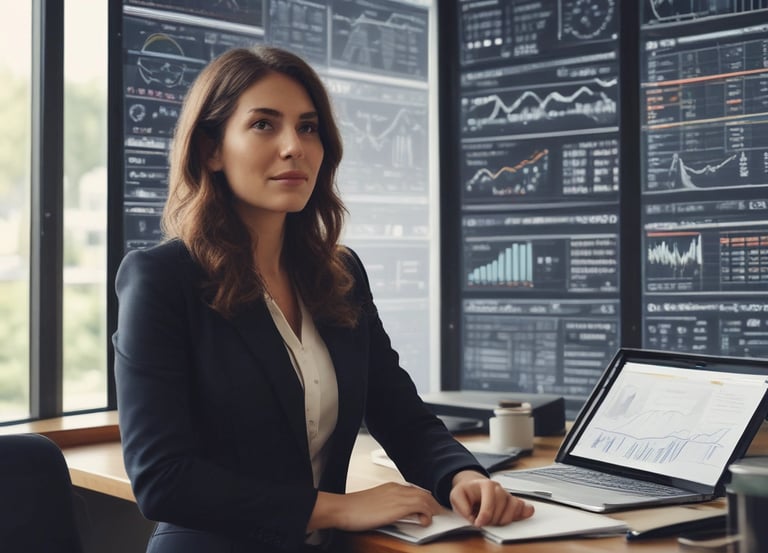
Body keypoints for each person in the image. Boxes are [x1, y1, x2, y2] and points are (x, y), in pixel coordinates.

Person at [113, 45, 534, 553]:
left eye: (308, 127)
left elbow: (397, 410)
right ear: (211, 150)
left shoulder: (340, 274)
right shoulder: (162, 279)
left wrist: (460, 476)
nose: (294, 147)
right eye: (264, 125)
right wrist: (339, 507)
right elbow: (164, 480)